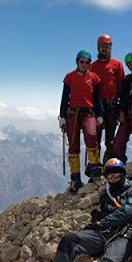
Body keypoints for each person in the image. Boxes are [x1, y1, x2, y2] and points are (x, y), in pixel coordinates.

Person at [59, 50, 104, 193]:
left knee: (91, 136)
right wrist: (62, 117)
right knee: (73, 145)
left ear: (89, 64)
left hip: (88, 112)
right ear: (77, 62)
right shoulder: (69, 77)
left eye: (87, 62)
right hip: (72, 113)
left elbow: (97, 98)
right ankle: (75, 179)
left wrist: (99, 115)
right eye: (81, 61)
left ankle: (96, 172)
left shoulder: (94, 78)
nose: (84, 64)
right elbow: (65, 98)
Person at [90, 34, 125, 167]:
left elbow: (122, 89)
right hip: (97, 107)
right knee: (95, 139)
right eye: (102, 46)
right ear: (98, 48)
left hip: (112, 106)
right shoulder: (92, 67)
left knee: (110, 140)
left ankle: (109, 167)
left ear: (111, 48)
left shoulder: (117, 65)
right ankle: (95, 167)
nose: (105, 49)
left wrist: (122, 109)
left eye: (107, 46)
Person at [110, 51, 132, 163]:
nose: (131, 66)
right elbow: (123, 97)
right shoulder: (127, 80)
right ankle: (121, 167)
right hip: (128, 116)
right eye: (128, 64)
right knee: (117, 144)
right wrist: (121, 112)